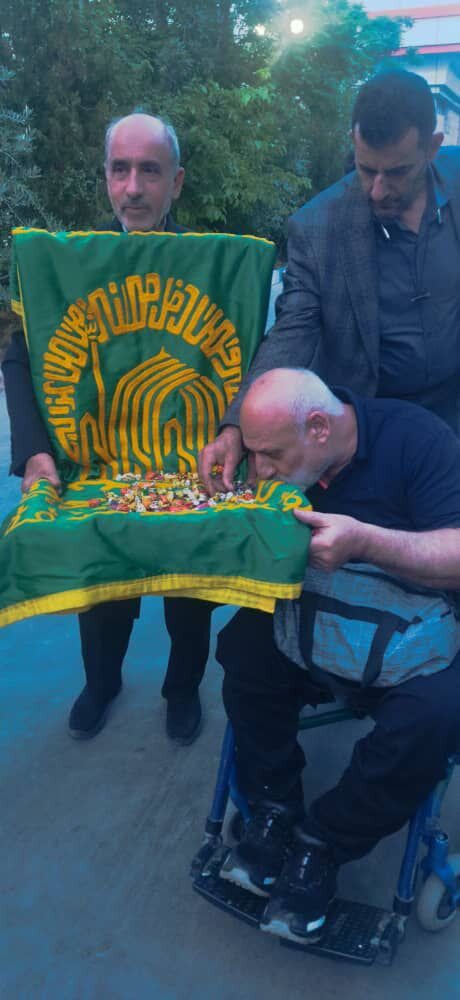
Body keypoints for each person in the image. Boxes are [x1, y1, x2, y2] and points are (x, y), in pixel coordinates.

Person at [216, 367, 460, 944]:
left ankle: (323, 842)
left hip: (412, 624)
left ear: (319, 428)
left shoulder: (418, 440)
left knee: (434, 717)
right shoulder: (281, 457)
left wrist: (364, 541)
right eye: (254, 453)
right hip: (315, 612)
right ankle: (273, 807)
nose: (261, 470)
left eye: (271, 455)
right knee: (242, 651)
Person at [2, 112, 214, 745]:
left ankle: (182, 688)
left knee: (189, 586)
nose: (133, 188)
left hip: (182, 466)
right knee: (102, 582)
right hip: (98, 466)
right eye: (120, 170)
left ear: (177, 182)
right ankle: (101, 682)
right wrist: (34, 452)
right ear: (105, 178)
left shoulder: (208, 266)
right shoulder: (70, 266)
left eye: (150, 170)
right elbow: (20, 357)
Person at [199, 69, 460, 496]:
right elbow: (292, 332)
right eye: (366, 169)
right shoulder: (318, 226)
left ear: (432, 147)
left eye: (397, 172)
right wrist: (235, 429)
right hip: (372, 439)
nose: (377, 191)